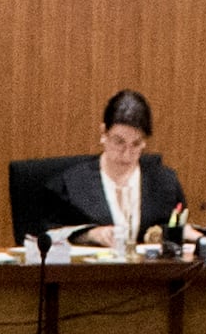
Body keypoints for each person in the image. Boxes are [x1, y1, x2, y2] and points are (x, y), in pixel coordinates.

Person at [39, 91, 187, 247]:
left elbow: (175, 227)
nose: (126, 154)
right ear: (104, 133)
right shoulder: (70, 184)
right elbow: (48, 236)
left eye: (136, 144)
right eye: (119, 142)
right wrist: (90, 234)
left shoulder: (165, 183)